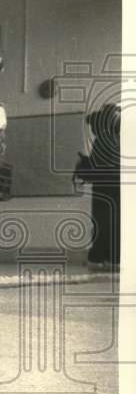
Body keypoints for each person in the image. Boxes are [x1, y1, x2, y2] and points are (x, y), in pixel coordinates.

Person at [73, 102, 121, 270]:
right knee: (115, 223)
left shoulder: (101, 141)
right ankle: (113, 259)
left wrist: (83, 163)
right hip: (118, 187)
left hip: (103, 187)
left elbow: (95, 168)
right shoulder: (118, 139)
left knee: (101, 222)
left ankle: (97, 258)